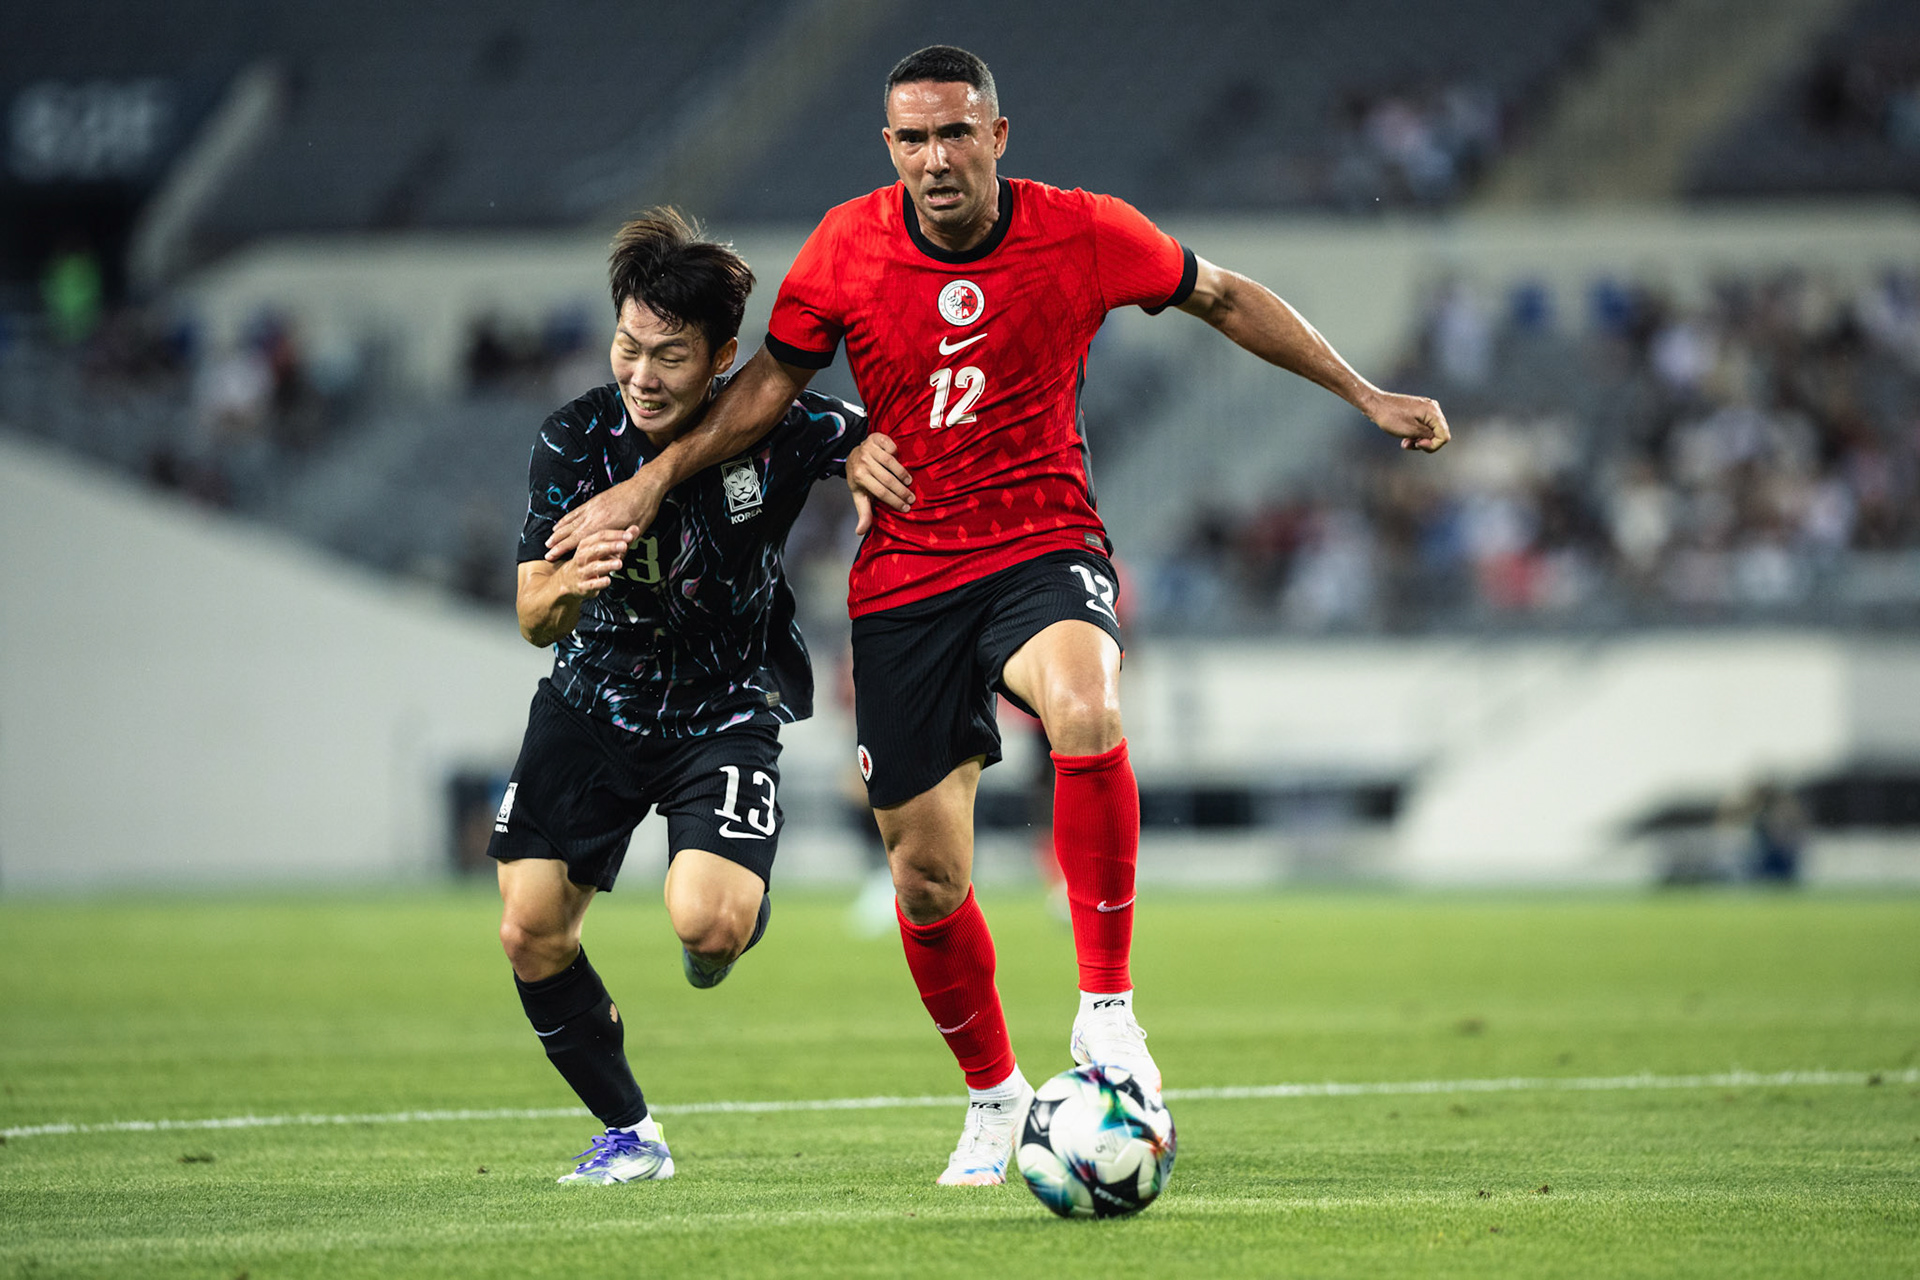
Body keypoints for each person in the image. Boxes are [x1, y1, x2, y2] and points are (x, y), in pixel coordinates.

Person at [543, 46, 1451, 1186]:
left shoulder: (1085, 231)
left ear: (998, 136)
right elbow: (769, 390)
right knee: (926, 875)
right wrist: (645, 482)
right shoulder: (843, 246)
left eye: (956, 133)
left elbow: (1221, 294)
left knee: (1084, 700)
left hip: (1041, 542)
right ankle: (993, 1100)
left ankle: (1107, 1011)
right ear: (889, 149)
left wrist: (1364, 392)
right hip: (909, 577)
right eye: (913, 138)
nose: (936, 158)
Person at [492, 209, 865, 1185]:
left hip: (725, 705)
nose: (643, 374)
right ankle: (631, 1132)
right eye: (628, 345)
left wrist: (865, 461)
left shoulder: (778, 429)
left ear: (724, 356)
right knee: (529, 927)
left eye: (670, 353)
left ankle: (735, 913)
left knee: (708, 923)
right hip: (593, 701)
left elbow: (868, 436)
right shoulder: (574, 440)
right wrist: (564, 591)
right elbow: (530, 612)